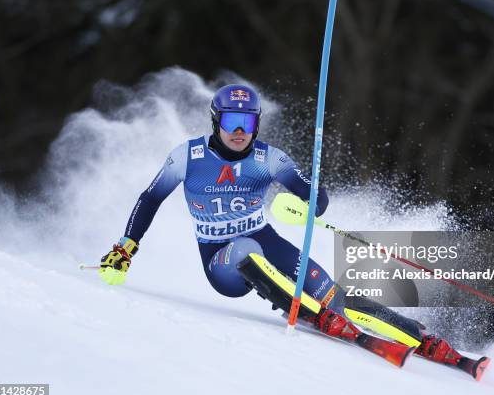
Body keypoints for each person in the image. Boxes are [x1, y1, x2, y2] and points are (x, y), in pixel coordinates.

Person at [100, 84, 463, 366]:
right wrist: (125, 248)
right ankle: (310, 313)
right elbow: (150, 199)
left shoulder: (269, 158)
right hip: (220, 260)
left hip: (266, 239)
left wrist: (313, 198)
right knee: (246, 251)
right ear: (216, 122)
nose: (240, 131)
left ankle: (421, 339)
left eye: (248, 122)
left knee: (331, 292)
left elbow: (315, 201)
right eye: (231, 122)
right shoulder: (187, 157)